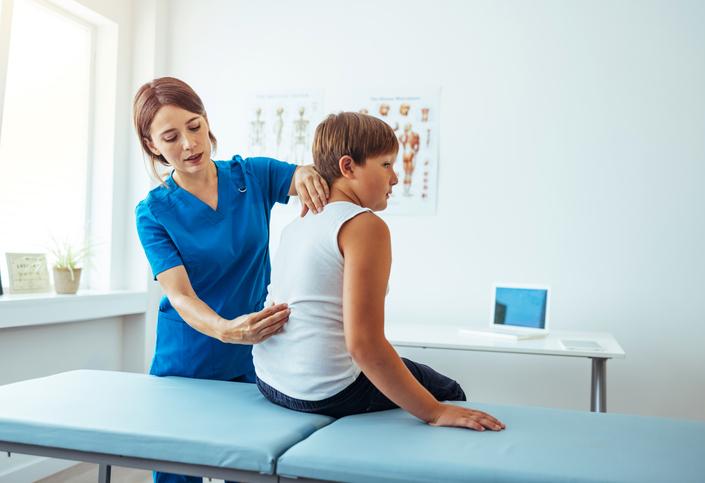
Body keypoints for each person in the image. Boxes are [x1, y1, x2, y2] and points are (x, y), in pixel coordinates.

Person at [253, 113, 505, 432]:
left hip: (271, 381)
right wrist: (435, 411)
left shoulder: (296, 224)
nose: (395, 178)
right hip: (324, 392)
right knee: (447, 392)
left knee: (408, 371)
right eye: (386, 165)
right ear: (348, 167)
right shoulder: (364, 226)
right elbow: (364, 345)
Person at [133, 77, 329, 483]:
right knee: (178, 472)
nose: (188, 144)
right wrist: (224, 329)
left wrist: (311, 174)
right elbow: (180, 295)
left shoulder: (251, 176)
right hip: (187, 361)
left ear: (206, 121)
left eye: (194, 126)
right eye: (170, 137)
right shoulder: (152, 212)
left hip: (255, 356)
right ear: (152, 145)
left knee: (248, 469)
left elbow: (301, 177)